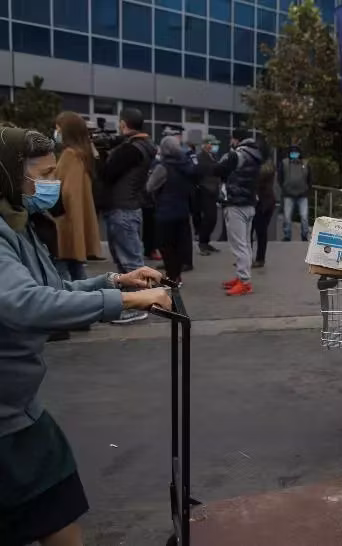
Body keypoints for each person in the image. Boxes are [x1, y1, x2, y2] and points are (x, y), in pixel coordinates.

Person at [0, 127, 171, 546]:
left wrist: (118, 281)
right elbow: (26, 304)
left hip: (17, 407)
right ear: (7, 176)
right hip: (8, 419)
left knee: (57, 512)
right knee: (55, 512)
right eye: (43, 173)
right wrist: (126, 303)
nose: (51, 183)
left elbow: (53, 289)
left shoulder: (18, 225)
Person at [101, 107, 157, 324]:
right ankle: (135, 303)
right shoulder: (139, 147)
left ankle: (139, 305)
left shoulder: (132, 150)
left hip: (123, 209)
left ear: (124, 124)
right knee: (127, 261)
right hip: (126, 208)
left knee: (131, 262)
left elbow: (107, 172)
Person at [52, 112, 101, 282]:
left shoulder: (70, 155)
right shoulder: (84, 155)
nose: (55, 133)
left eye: (58, 129)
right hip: (74, 220)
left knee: (63, 272)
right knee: (76, 269)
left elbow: (67, 193)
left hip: (65, 221)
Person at [146, 136, 198, 284]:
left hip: (165, 212)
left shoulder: (162, 167)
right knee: (179, 244)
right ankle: (177, 275)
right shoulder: (186, 165)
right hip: (182, 210)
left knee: (166, 246)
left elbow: (150, 187)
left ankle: (172, 276)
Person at [218, 128, 262, 296]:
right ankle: (242, 277)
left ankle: (244, 281)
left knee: (239, 245)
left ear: (236, 140)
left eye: (232, 140)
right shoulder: (255, 154)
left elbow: (219, 170)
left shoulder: (237, 155)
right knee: (246, 243)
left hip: (236, 203)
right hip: (249, 203)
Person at [195, 135, 222, 255]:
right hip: (204, 191)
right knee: (208, 218)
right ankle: (202, 243)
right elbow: (198, 174)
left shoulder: (214, 157)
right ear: (205, 144)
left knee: (213, 219)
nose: (213, 146)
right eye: (211, 143)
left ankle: (206, 242)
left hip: (213, 191)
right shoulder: (199, 157)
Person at [278, 145, 311, 242]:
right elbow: (280, 177)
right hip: (288, 194)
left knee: (304, 216)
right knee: (287, 217)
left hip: (303, 195)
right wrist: (284, 188)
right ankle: (287, 235)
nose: (294, 154)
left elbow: (310, 178)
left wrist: (307, 189)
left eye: (296, 152)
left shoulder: (305, 163)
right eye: (292, 152)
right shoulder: (284, 163)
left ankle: (304, 235)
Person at [252, 143, 276, 269]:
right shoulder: (266, 164)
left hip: (264, 203)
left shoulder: (266, 166)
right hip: (264, 202)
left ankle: (260, 259)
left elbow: (258, 180)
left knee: (260, 232)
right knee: (257, 231)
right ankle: (251, 257)